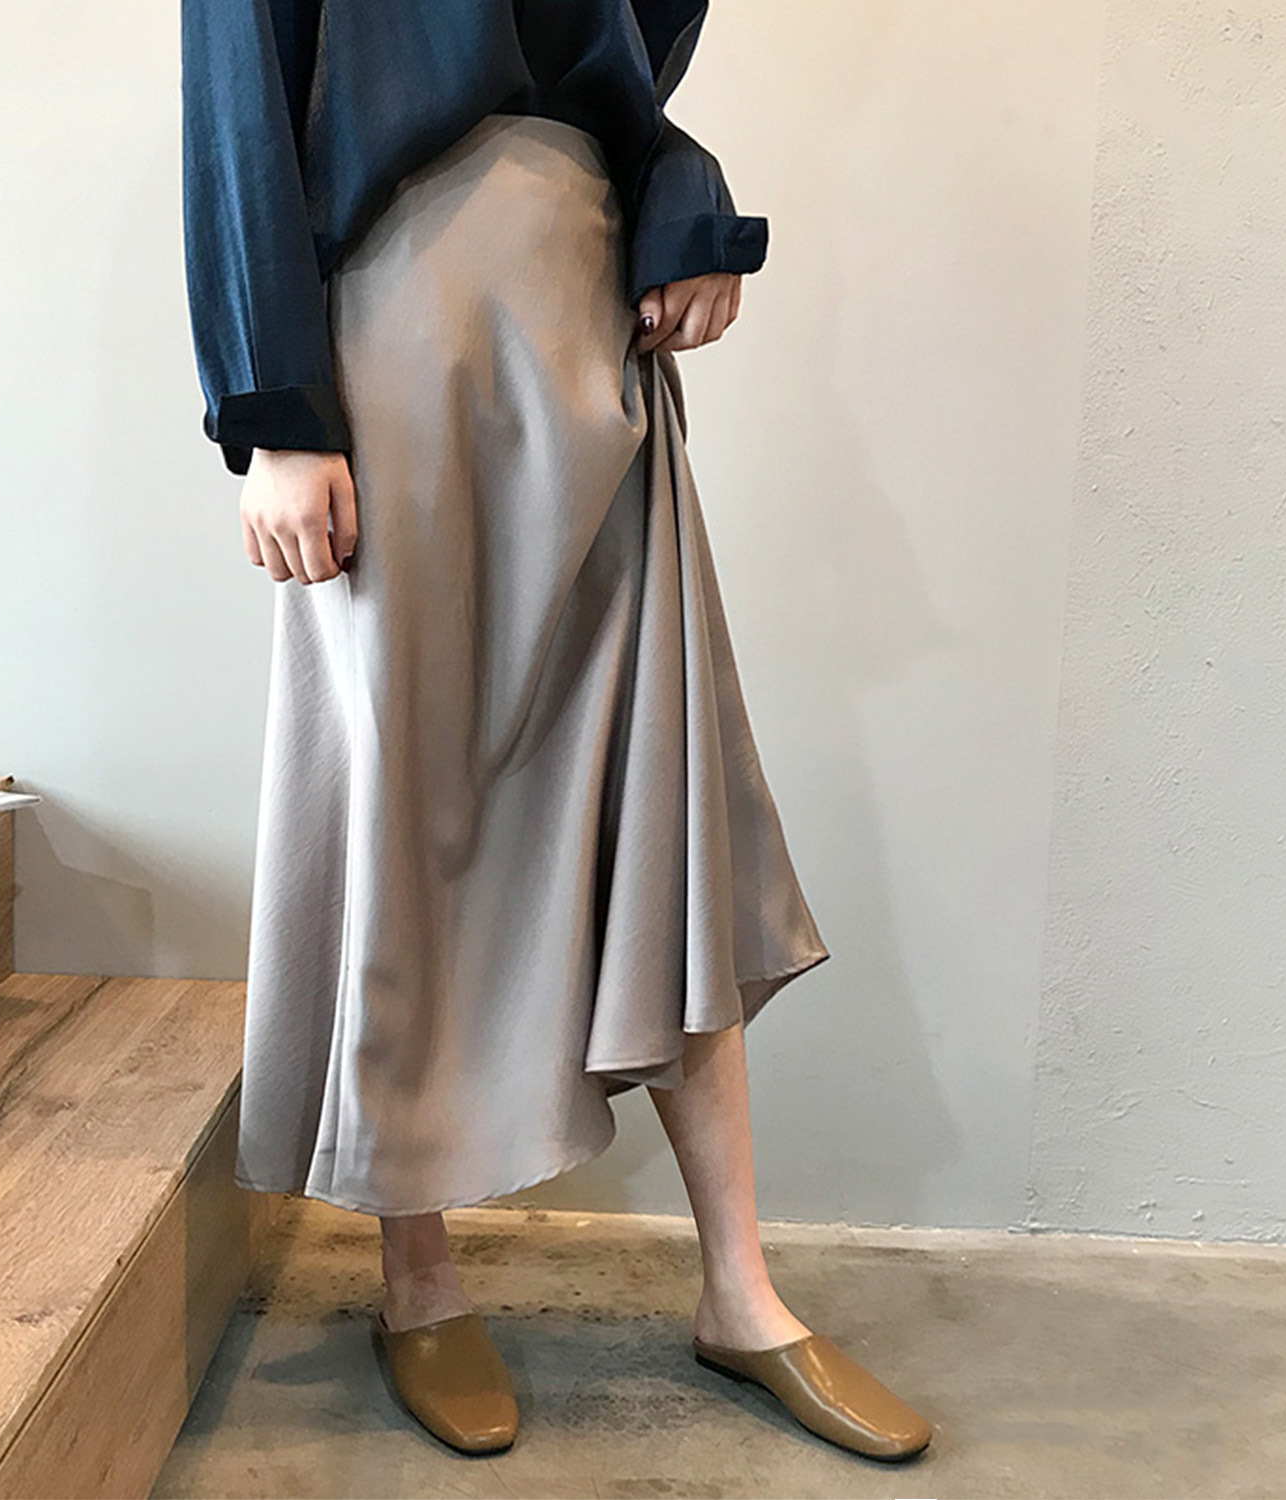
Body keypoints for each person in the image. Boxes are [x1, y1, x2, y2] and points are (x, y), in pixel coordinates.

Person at [180, 0, 933, 1464]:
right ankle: (419, 1277)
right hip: (403, 343)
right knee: (412, 804)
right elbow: (240, 103)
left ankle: (741, 1290)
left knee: (662, 787)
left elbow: (613, 89)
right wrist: (273, 410)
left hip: (590, 338)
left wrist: (682, 205)